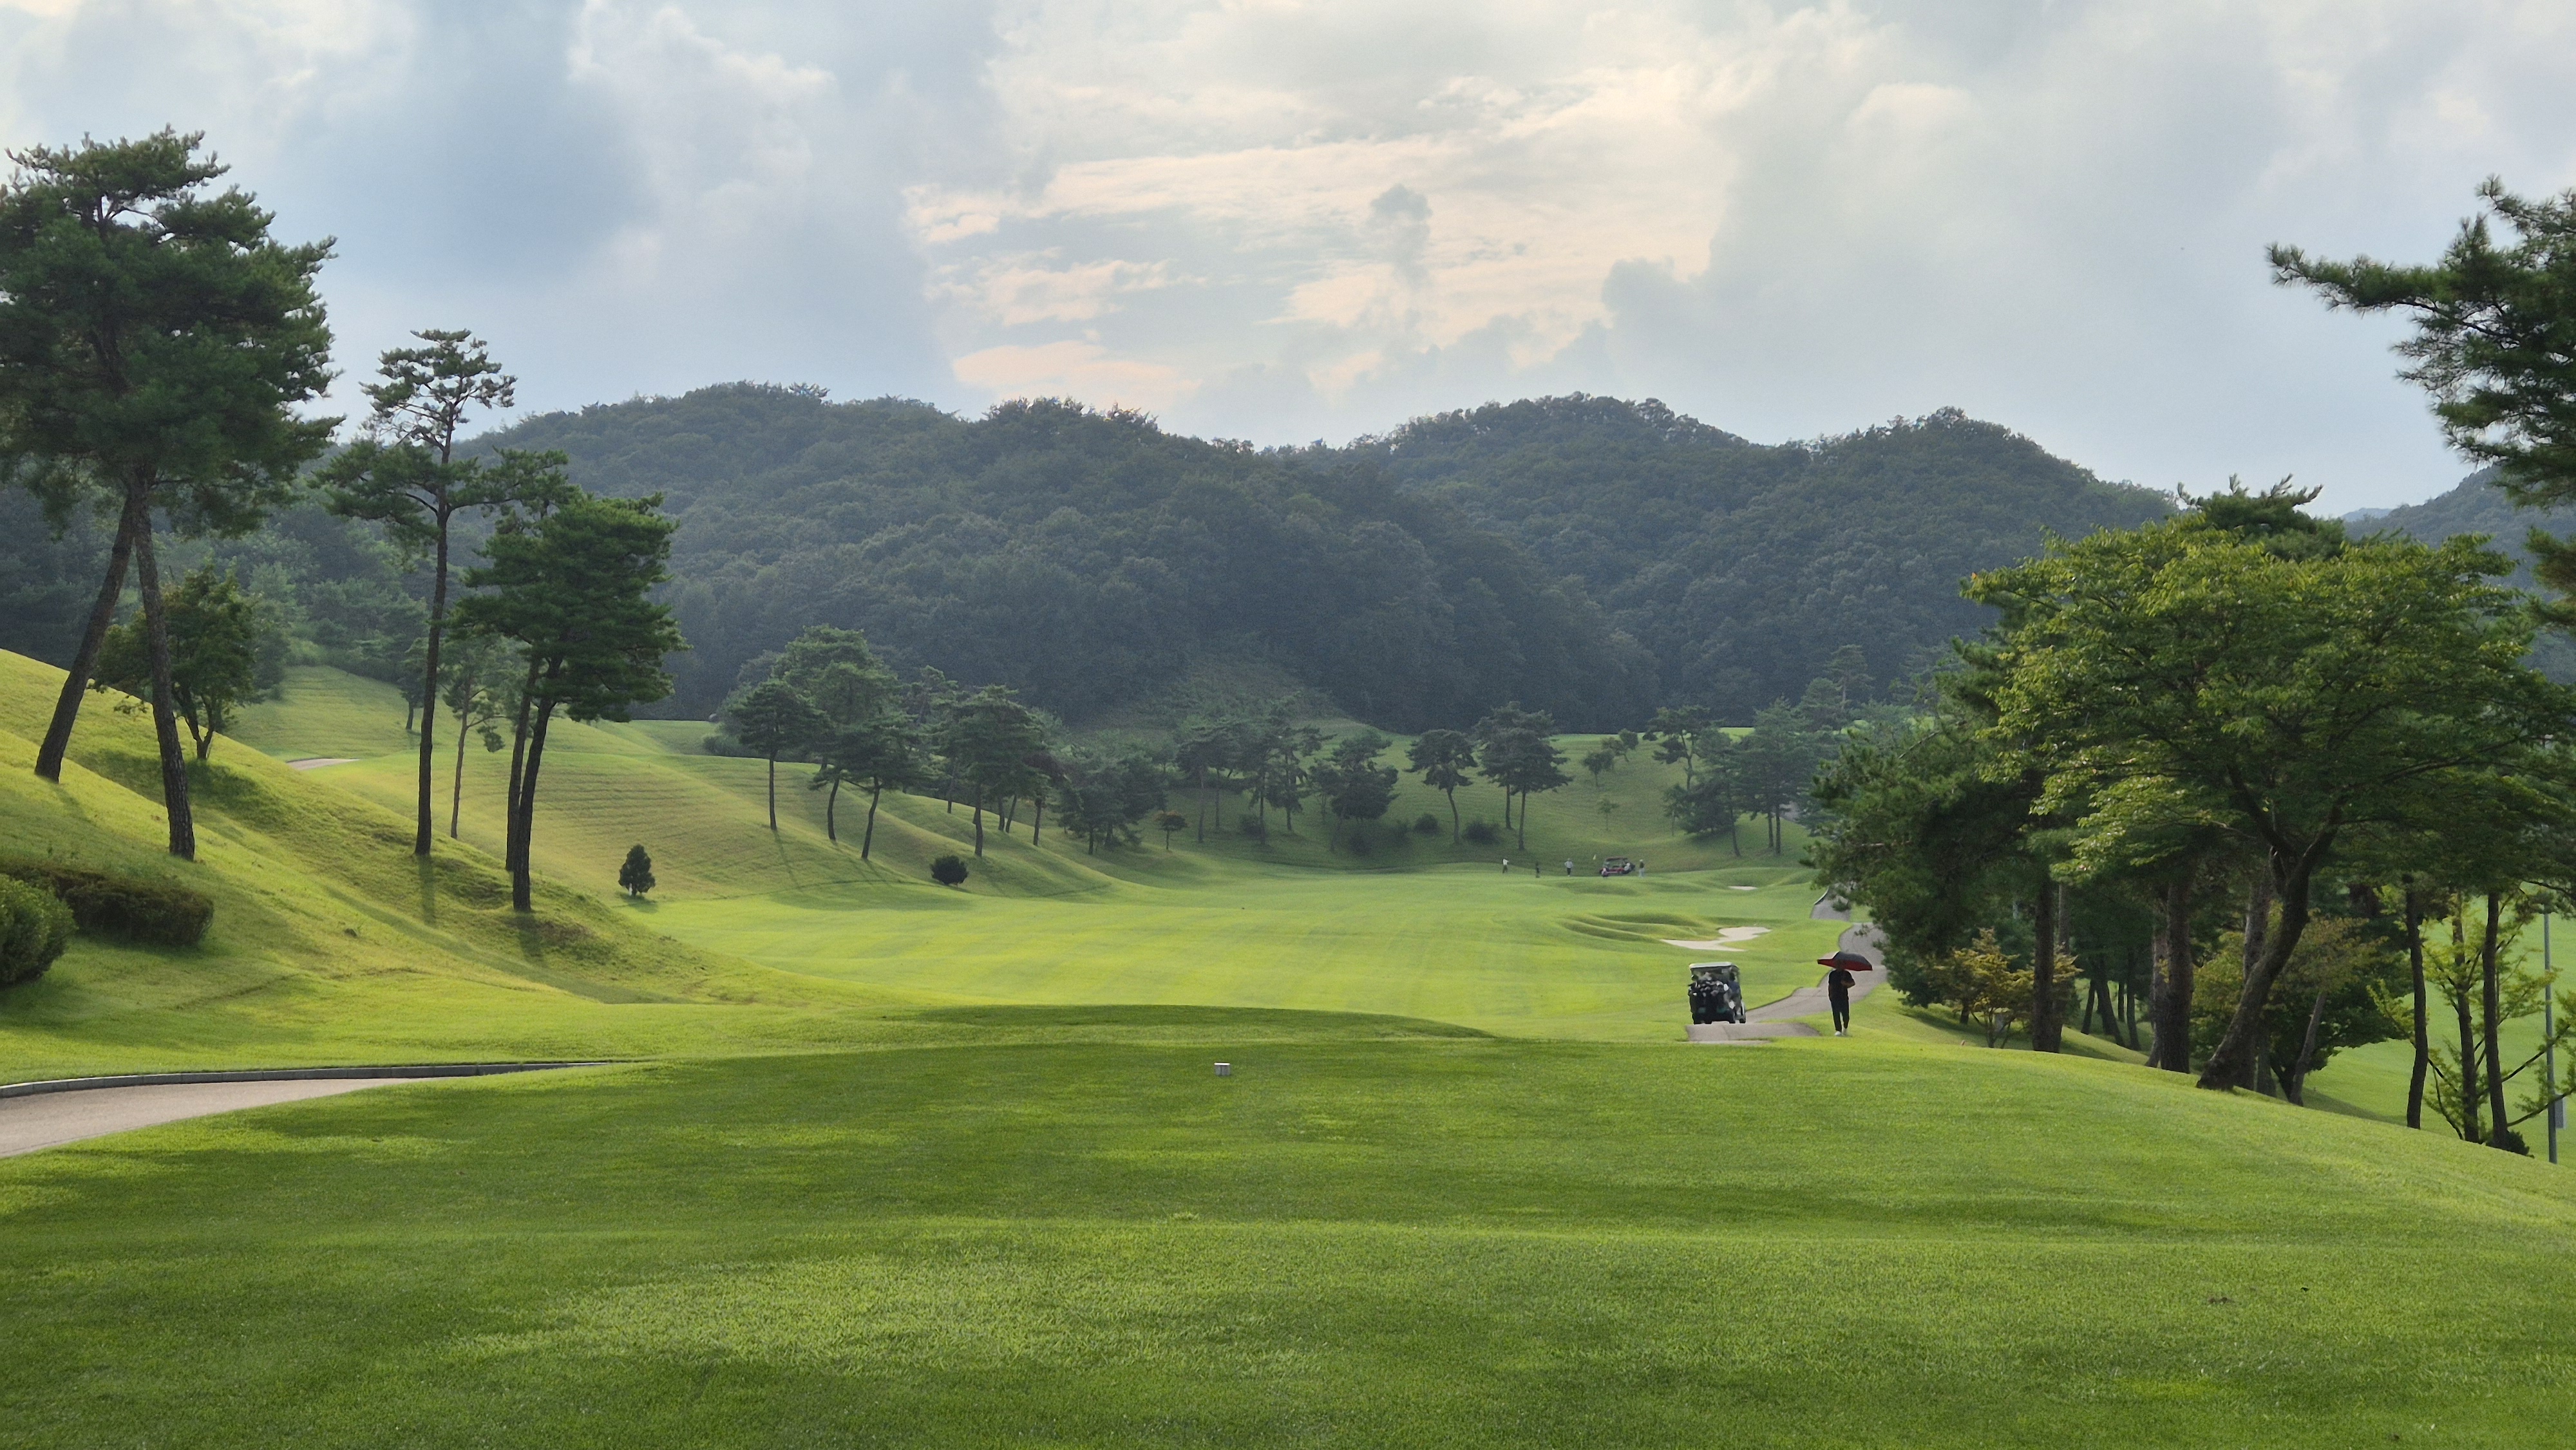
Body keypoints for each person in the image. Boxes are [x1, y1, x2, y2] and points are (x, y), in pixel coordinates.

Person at [1827, 959, 1855, 1036]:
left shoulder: (1846, 974)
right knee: (1836, 1014)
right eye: (1837, 964)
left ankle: (1845, 1028)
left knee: (1846, 1015)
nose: (1838, 965)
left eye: (1840, 964)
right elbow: (1830, 985)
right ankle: (1838, 1030)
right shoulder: (1832, 974)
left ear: (1843, 965)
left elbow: (1853, 983)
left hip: (1843, 997)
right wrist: (1830, 995)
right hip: (1835, 996)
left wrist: (1845, 984)